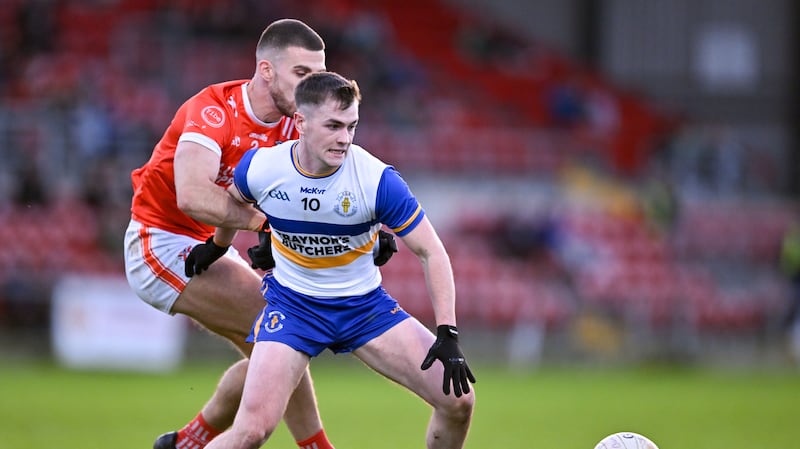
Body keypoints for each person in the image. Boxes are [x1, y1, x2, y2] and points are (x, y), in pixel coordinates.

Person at [124, 19, 398, 449]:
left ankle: (188, 442)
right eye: (302, 75)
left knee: (271, 357)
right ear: (267, 72)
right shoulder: (212, 109)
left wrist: (372, 227)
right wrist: (264, 224)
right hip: (159, 240)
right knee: (286, 330)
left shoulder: (298, 124)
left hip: (213, 245)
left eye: (320, 75)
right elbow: (192, 197)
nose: (315, 86)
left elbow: (343, 186)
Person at [192, 71, 476, 449]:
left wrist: (448, 331)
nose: (344, 138)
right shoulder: (261, 167)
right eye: (333, 126)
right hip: (293, 308)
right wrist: (217, 245)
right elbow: (234, 203)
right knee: (250, 432)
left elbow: (431, 251)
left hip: (364, 309)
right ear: (301, 122)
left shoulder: (377, 180)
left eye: (352, 126)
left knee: (459, 401)